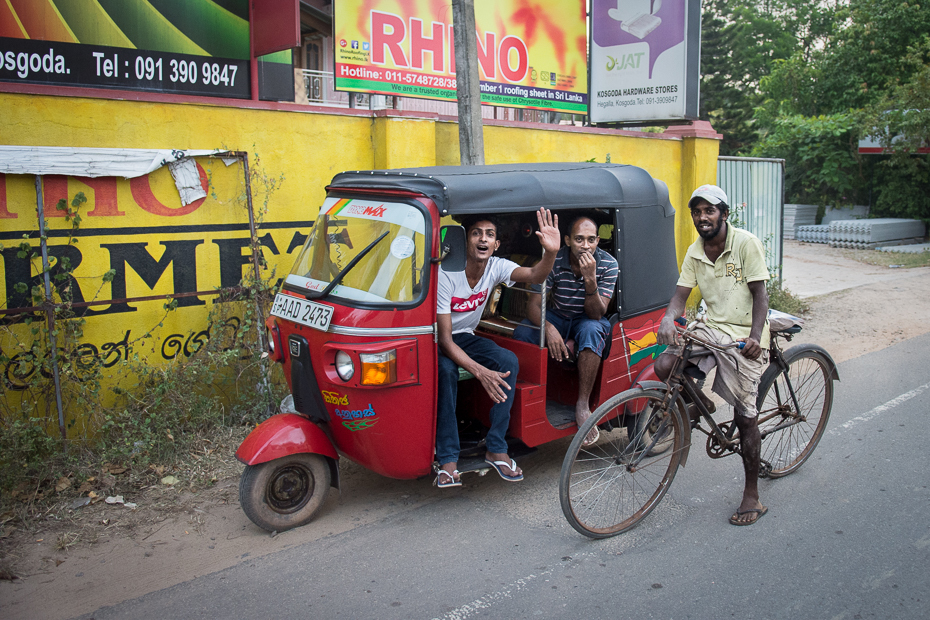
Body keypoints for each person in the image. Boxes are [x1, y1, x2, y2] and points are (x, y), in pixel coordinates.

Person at [654, 184, 771, 526]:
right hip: (713, 326)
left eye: (709, 211)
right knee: (664, 364)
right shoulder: (695, 250)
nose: (702, 217)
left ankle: (753, 495)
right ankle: (700, 404)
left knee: (745, 416)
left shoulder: (746, 243)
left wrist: (754, 337)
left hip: (745, 334)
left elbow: (761, 296)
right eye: (697, 212)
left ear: (724, 214)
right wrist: (667, 318)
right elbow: (680, 296)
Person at [435, 208, 561, 488]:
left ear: (496, 244)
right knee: (446, 372)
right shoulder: (447, 273)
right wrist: (480, 372)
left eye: (489, 235)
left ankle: (496, 447)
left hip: (465, 336)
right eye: (476, 233)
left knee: (508, 361)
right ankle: (447, 458)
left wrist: (550, 252)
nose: (483, 239)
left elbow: (535, 275)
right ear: (466, 240)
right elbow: (444, 340)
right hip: (438, 340)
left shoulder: (497, 266)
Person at [512, 215, 619, 447]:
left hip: (588, 318)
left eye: (591, 240)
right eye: (579, 239)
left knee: (592, 330)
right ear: (568, 240)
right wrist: (549, 329)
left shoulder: (609, 264)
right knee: (523, 333)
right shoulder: (555, 259)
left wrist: (590, 278)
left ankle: (582, 404)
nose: (586, 245)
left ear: (598, 241)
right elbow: (533, 305)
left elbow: (597, 314)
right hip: (558, 316)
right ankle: (533, 397)